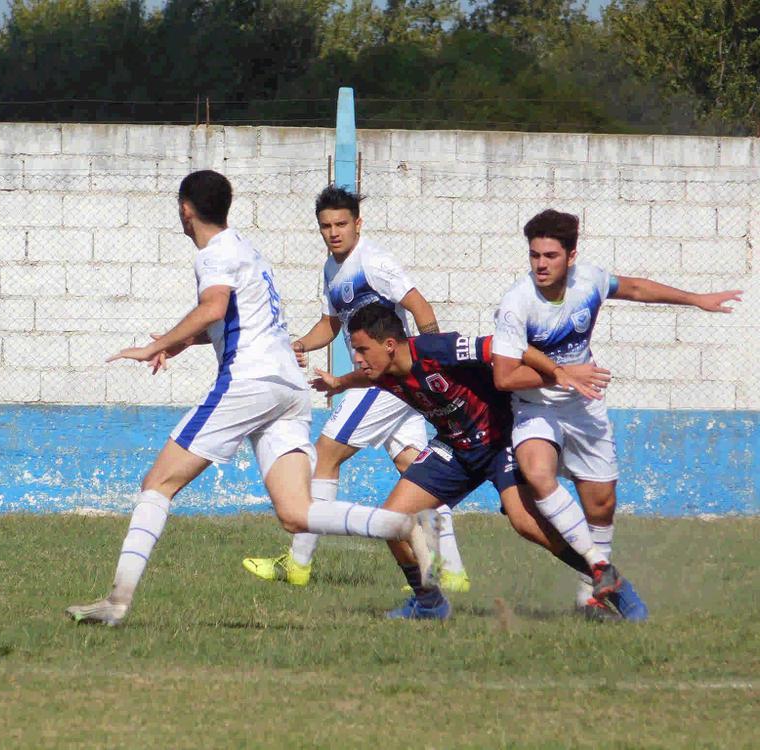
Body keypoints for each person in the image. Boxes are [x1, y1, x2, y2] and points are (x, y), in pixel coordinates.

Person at [65, 171, 436, 626]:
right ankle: (397, 526)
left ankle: (116, 603)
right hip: (288, 387)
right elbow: (232, 320)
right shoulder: (246, 249)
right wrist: (179, 343)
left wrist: (155, 346)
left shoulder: (214, 255)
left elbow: (214, 309)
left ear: (185, 210)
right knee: (296, 514)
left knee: (157, 485)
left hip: (250, 382)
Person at [491, 209, 743, 620]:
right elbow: (504, 376)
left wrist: (696, 300)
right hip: (536, 406)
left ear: (571, 257)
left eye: (550, 255)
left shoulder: (588, 280)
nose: (540, 264)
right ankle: (602, 569)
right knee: (538, 472)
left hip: (584, 405)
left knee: (602, 504)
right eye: (534, 255)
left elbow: (636, 288)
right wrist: (560, 375)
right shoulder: (517, 304)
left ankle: (590, 597)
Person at [311, 303, 622, 620]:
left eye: (362, 350)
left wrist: (559, 373)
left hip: (501, 441)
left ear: (389, 345)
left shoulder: (436, 349)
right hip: (455, 449)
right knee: (390, 521)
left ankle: (607, 580)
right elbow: (365, 377)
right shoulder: (382, 371)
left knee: (527, 523)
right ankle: (430, 603)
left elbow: (501, 345)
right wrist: (339, 383)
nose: (358, 358)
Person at [243, 186, 472, 593]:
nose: (334, 232)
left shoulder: (375, 262)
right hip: (392, 385)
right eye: (326, 226)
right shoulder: (332, 270)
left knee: (326, 454)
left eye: (341, 224)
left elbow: (420, 308)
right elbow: (331, 325)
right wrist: (296, 345)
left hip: (384, 379)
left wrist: (433, 365)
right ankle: (449, 572)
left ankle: (297, 563)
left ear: (358, 224)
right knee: (414, 469)